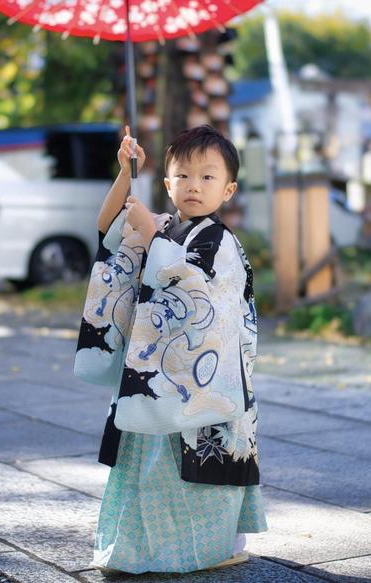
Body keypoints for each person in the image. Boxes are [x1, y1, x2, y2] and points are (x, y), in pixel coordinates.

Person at [74, 124, 267, 574]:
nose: (193, 186)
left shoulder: (220, 243)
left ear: (228, 188)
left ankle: (210, 548)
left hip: (202, 380)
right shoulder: (161, 225)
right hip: (155, 376)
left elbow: (200, 294)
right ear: (167, 183)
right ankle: (139, 551)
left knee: (199, 472)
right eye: (183, 176)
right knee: (148, 470)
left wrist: (154, 239)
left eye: (207, 177)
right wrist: (125, 172)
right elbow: (109, 229)